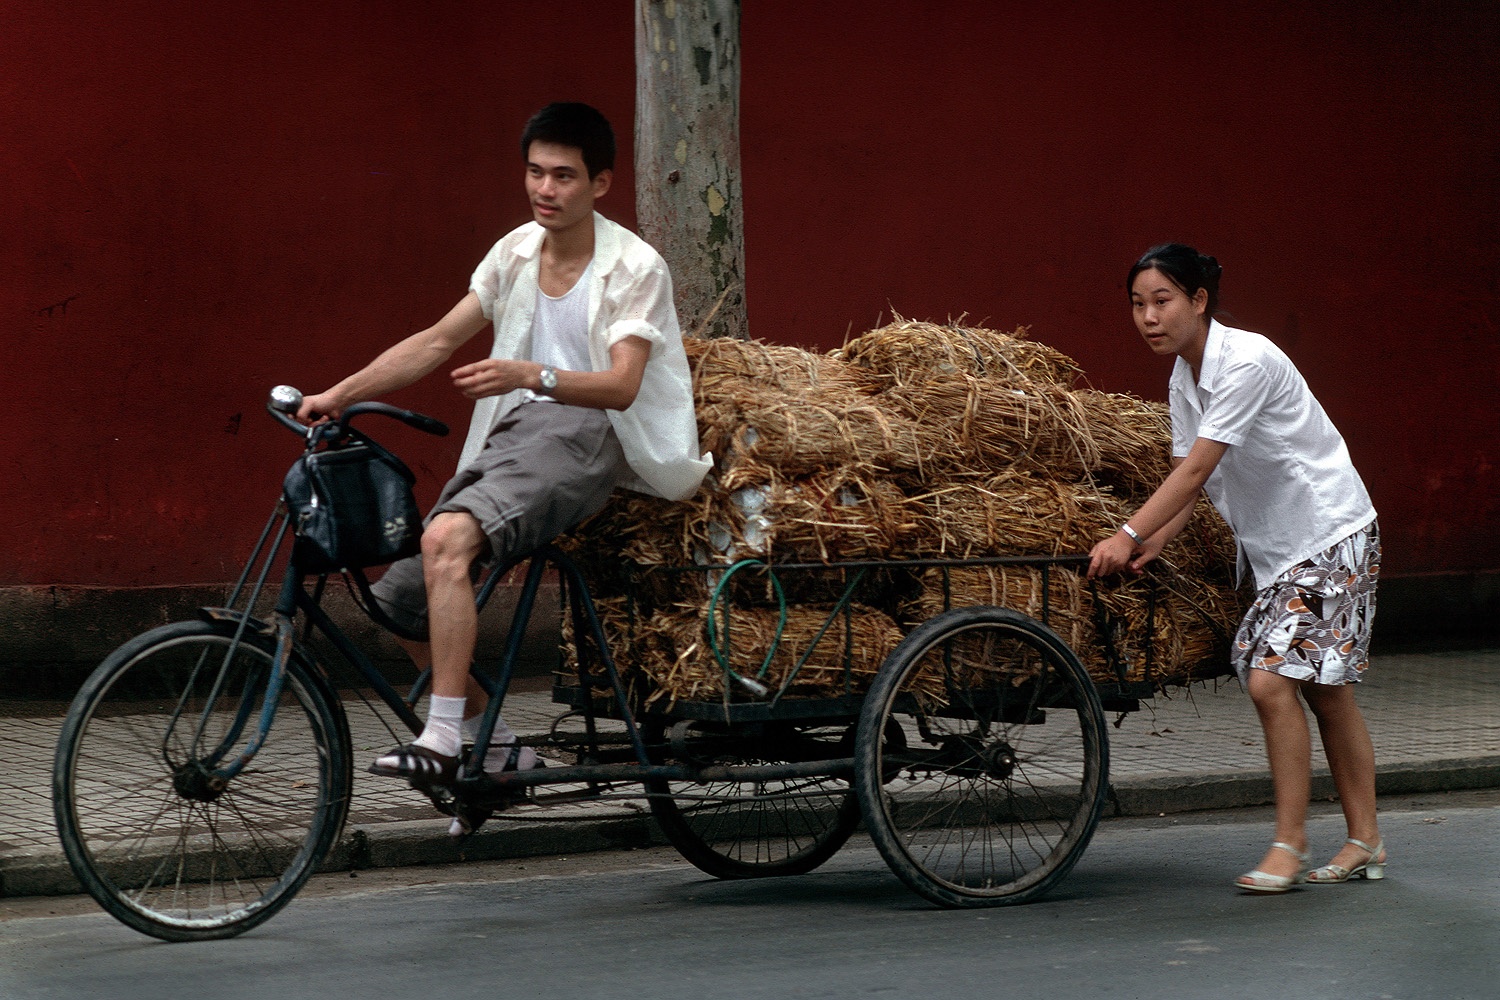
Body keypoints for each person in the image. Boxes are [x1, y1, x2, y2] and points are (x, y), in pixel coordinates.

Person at [298, 102, 711, 800]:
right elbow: (435, 340)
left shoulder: (634, 266)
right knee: (397, 600)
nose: (545, 190)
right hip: (519, 435)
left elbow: (621, 385)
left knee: (447, 543)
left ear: (601, 184)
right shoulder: (516, 251)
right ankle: (495, 748)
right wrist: (337, 393)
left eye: (564, 176)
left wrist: (531, 374)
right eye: (534, 173)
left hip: (591, 436)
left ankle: (440, 739)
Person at [1087, 243, 1385, 893]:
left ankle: (1290, 844)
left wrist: (1126, 532)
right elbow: (1190, 484)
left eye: (1162, 301)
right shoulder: (1183, 380)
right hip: (1281, 551)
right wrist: (1154, 542)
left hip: (1331, 535)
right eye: (1137, 305)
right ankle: (1366, 840)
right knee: (1327, 692)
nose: (1147, 317)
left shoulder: (1246, 360)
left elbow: (1196, 467)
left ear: (1199, 301)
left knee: (1270, 681)